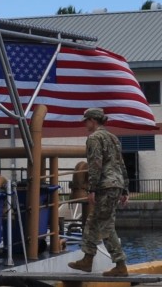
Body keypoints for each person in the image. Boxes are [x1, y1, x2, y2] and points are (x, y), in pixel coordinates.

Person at [68, 108, 130, 277]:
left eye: (86, 121)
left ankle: (120, 264)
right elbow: (121, 164)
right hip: (115, 184)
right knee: (93, 222)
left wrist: (92, 188)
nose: (85, 124)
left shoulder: (94, 138)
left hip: (105, 186)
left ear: (93, 121)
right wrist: (125, 189)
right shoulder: (113, 138)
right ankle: (87, 259)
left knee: (105, 225)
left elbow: (95, 164)